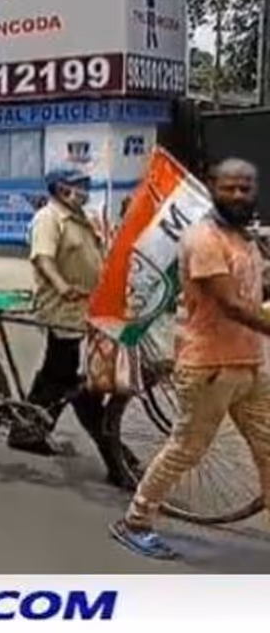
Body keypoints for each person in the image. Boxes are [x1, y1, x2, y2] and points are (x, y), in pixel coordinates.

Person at [111, 159, 270, 560]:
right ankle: (135, 521)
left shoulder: (244, 239)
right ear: (213, 188)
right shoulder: (203, 239)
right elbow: (231, 303)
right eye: (229, 187)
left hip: (249, 364)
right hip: (209, 368)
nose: (238, 195)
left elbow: (256, 289)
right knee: (187, 449)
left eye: (246, 188)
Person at [13, 168, 122, 487]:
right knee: (75, 384)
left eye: (86, 186)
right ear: (61, 189)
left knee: (57, 376)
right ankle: (115, 457)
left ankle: (26, 431)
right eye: (79, 186)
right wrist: (61, 286)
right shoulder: (49, 218)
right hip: (62, 309)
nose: (84, 192)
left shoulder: (81, 219)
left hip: (84, 310)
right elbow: (42, 258)